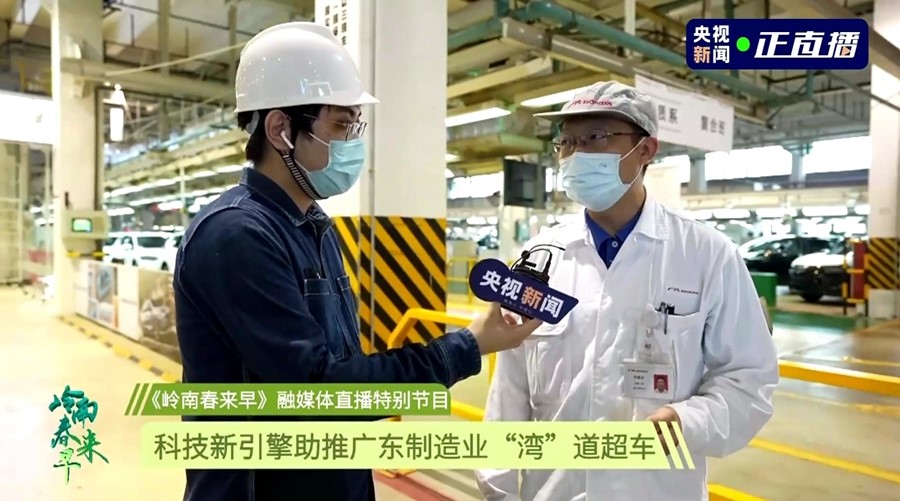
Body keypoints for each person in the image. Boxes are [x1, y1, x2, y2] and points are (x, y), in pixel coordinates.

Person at [173, 22, 542, 501]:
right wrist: (467, 346)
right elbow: (322, 391)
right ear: (281, 130)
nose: (353, 143)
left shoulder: (314, 227)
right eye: (340, 126)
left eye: (355, 126)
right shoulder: (236, 235)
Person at [475, 81, 779, 501]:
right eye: (567, 142)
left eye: (596, 137)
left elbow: (749, 378)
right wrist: (498, 491)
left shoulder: (707, 255)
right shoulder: (539, 258)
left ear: (646, 150)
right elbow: (509, 393)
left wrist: (689, 420)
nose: (576, 154)